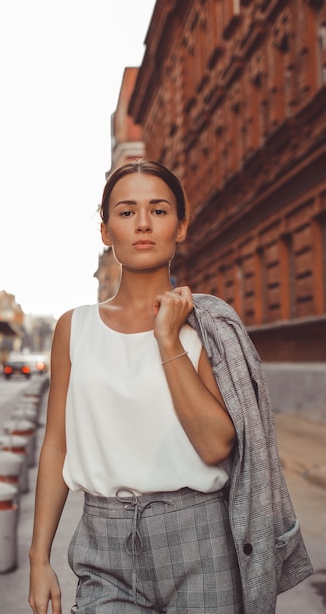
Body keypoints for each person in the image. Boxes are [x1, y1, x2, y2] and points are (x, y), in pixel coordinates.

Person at [28, 159, 313, 614]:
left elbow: (216, 443)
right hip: (104, 546)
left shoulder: (207, 326)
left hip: (200, 542)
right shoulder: (74, 328)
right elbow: (56, 446)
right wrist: (38, 557)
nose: (143, 223)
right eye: (126, 212)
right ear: (105, 231)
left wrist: (167, 338)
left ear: (181, 227)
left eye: (159, 211)